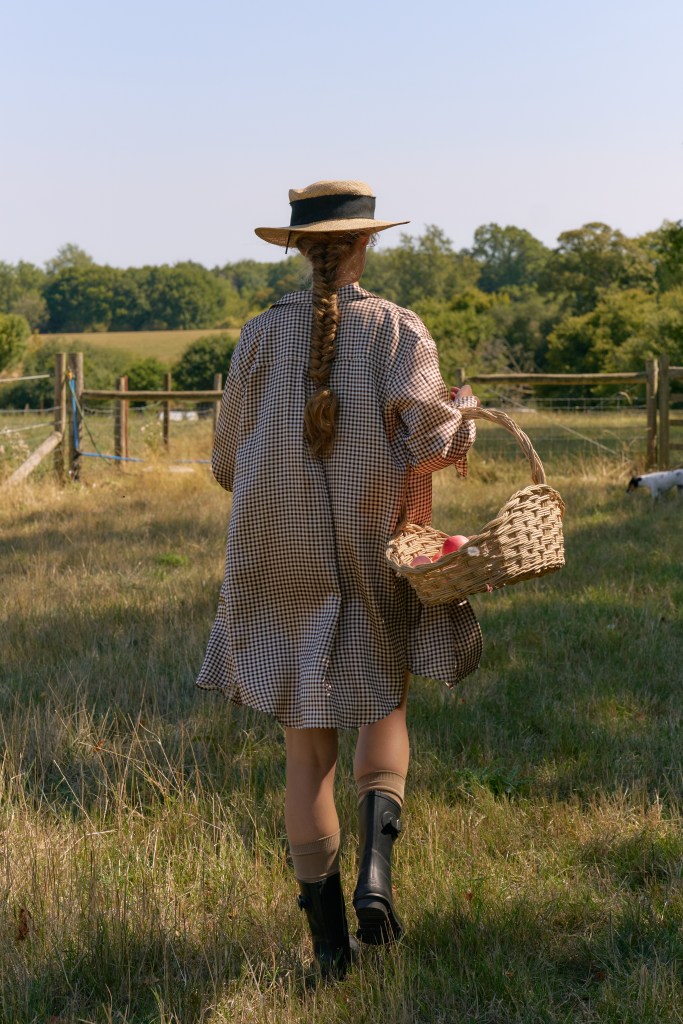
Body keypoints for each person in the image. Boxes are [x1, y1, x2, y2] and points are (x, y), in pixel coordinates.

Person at [196, 180, 482, 979]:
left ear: (299, 249)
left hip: (271, 554)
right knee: (382, 703)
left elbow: (225, 461)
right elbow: (429, 441)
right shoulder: (397, 329)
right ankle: (376, 883)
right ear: (363, 245)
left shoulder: (256, 338)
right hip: (370, 545)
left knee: (304, 750)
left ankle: (326, 949)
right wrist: (462, 412)